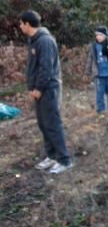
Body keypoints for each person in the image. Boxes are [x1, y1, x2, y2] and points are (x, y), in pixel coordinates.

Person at [19, 10, 72, 174]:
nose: (20, 27)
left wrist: (39, 88)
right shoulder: (33, 41)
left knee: (52, 124)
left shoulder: (45, 41)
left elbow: (46, 68)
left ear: (27, 24)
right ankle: (52, 155)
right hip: (38, 90)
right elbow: (33, 67)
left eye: (21, 23)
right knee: (43, 124)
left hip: (49, 89)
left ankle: (64, 160)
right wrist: (32, 88)